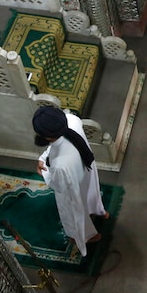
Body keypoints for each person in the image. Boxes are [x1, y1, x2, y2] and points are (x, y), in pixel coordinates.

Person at [32, 105, 107, 257]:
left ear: (46, 136)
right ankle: (100, 212)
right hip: (86, 169)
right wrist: (44, 158)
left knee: (73, 213)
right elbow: (58, 145)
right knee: (91, 194)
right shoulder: (72, 120)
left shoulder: (60, 164)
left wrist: (44, 171)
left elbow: (58, 184)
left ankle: (89, 235)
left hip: (72, 186)